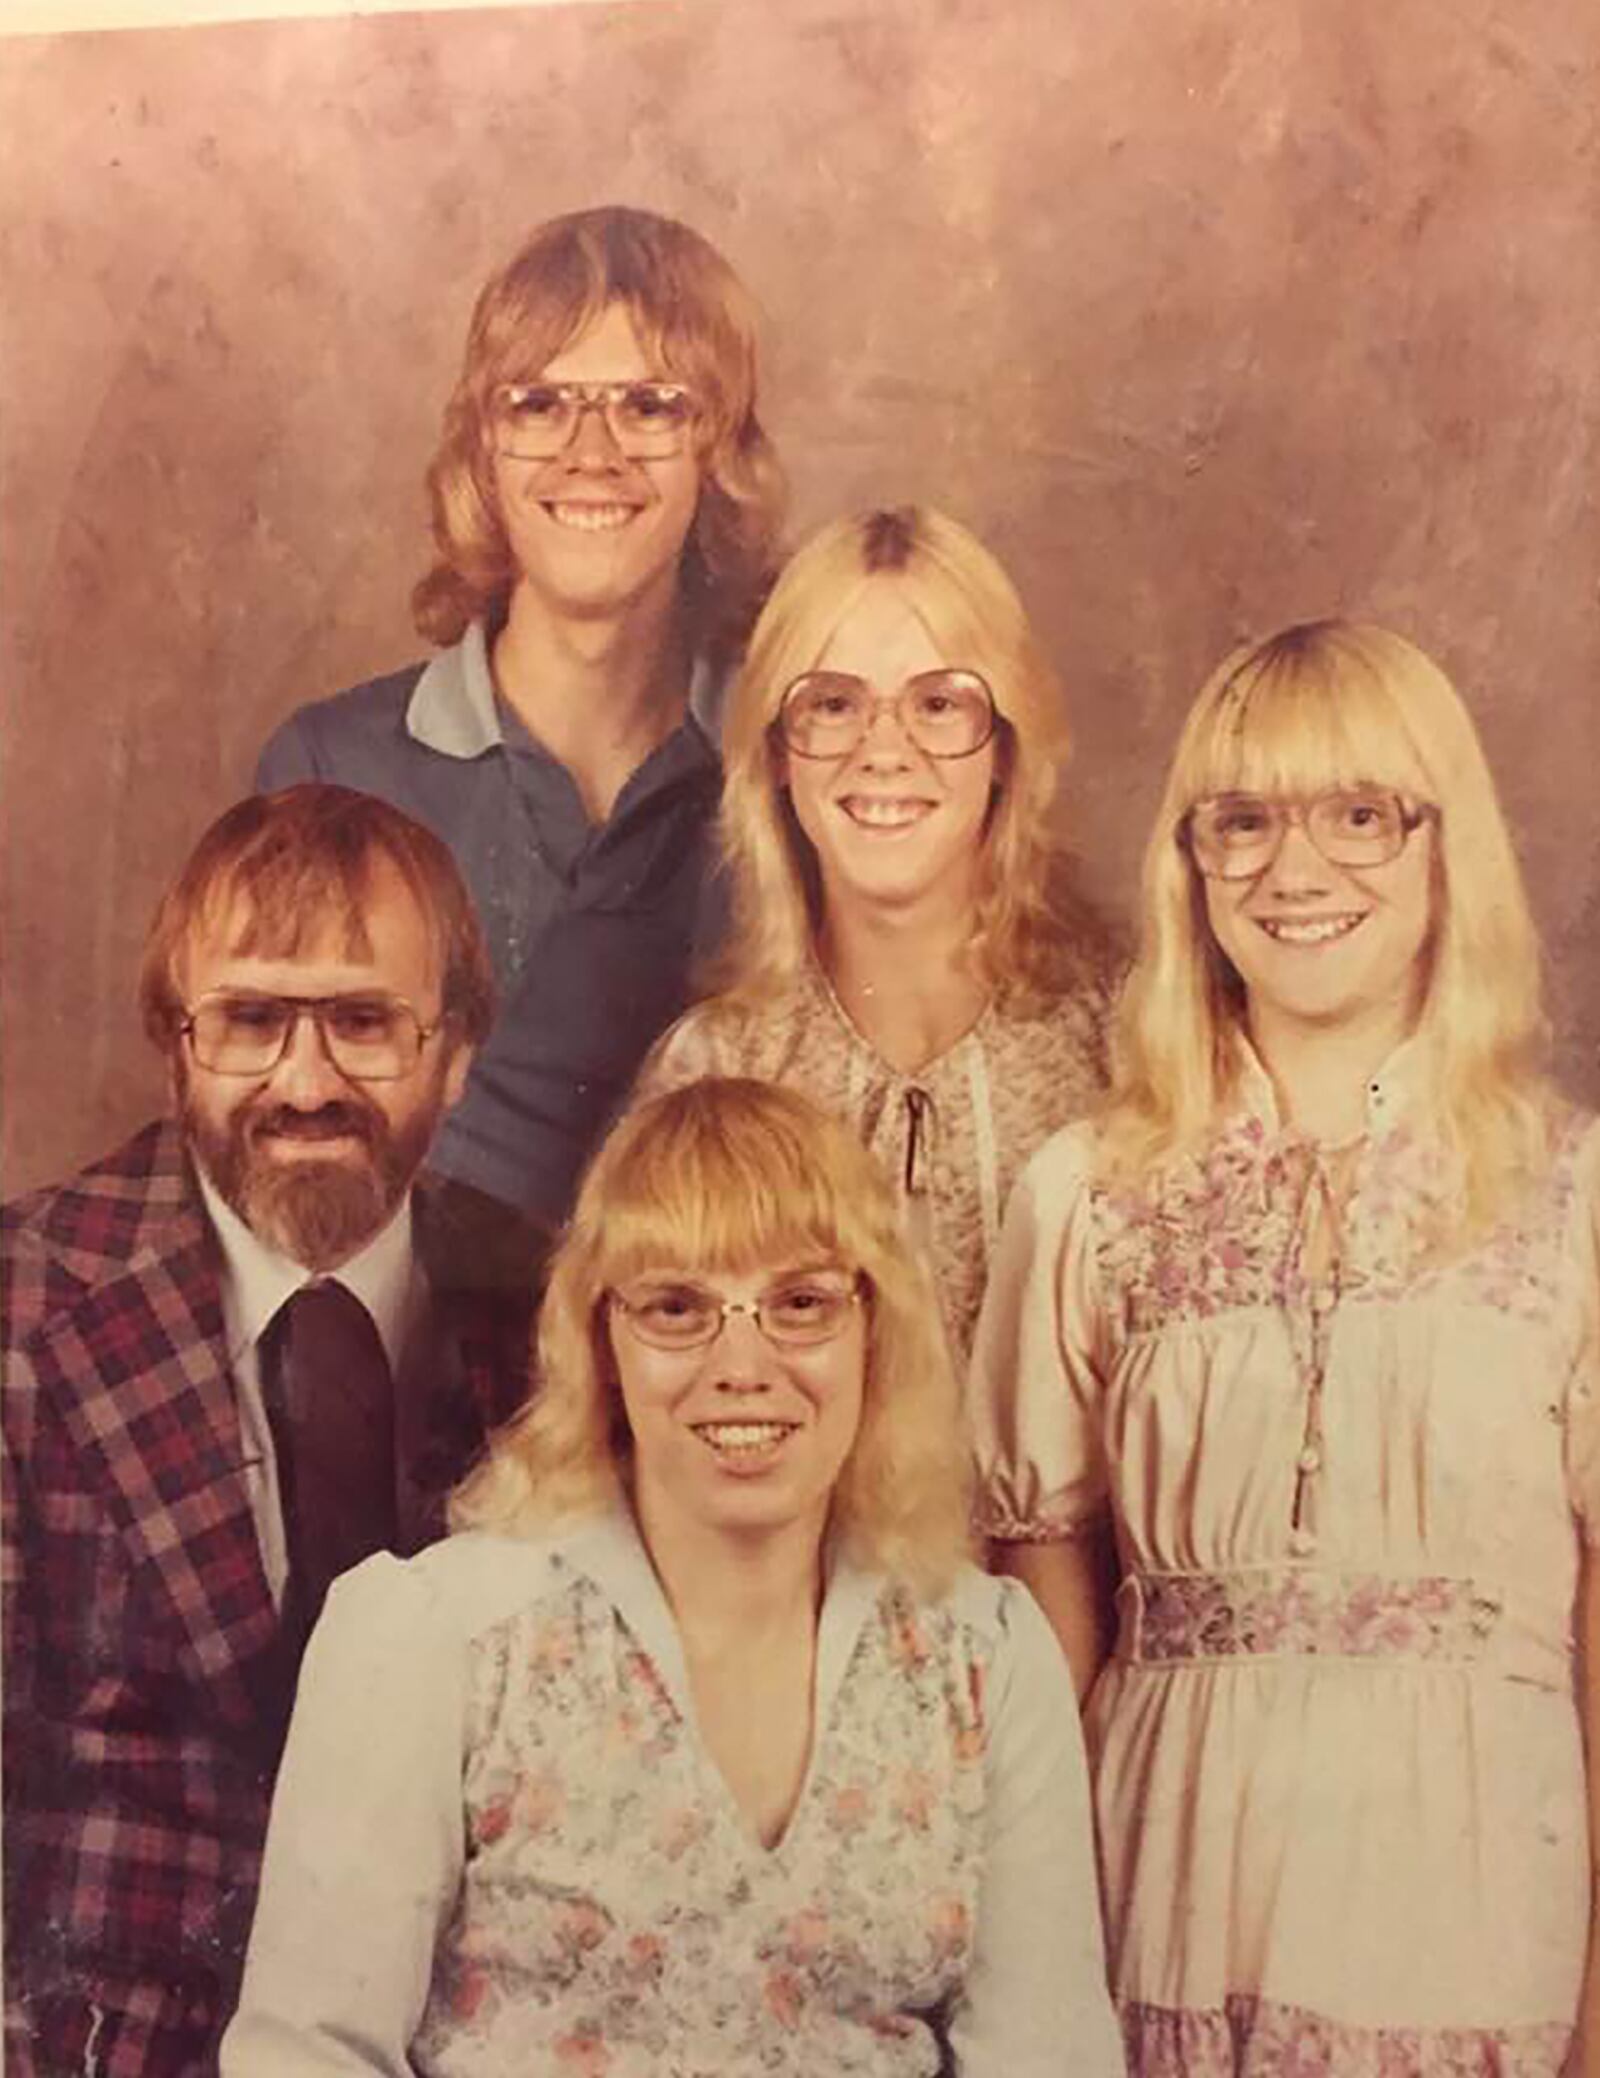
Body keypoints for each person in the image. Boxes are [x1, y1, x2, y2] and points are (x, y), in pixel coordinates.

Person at [968, 620, 1600, 2074]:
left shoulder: (1568, 1195)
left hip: (1479, 1924)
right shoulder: (1088, 1192)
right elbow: (1046, 1621)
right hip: (1165, 1905)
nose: (1294, 870)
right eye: (1242, 821)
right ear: (1190, 862)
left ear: (1448, 848)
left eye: (1358, 813)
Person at [222, 1077, 1124, 2076]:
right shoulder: (432, 1634)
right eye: (676, 1306)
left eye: (801, 1302)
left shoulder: (985, 1657)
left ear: (876, 1328)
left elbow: (1052, 2055)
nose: (742, 1363)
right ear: (600, 1339)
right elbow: (306, 2054)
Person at [2, 784, 534, 2077]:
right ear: (177, 1045)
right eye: (249, 1020)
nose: (304, 1082)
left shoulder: (549, 1310)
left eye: (362, 1020)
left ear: (454, 1049)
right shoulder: (23, 1309)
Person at [256, 206, 786, 1275]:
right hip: (424, 1381)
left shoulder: (789, 753)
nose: (592, 453)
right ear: (482, 446)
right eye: (538, 402)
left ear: (718, 447)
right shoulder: (333, 767)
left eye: (650, 404)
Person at [638, 505, 1112, 1358]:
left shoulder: (1125, 1047)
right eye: (833, 704)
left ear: (1005, 747)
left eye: (938, 703)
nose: (883, 751)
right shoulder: (712, 1070)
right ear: (777, 751)